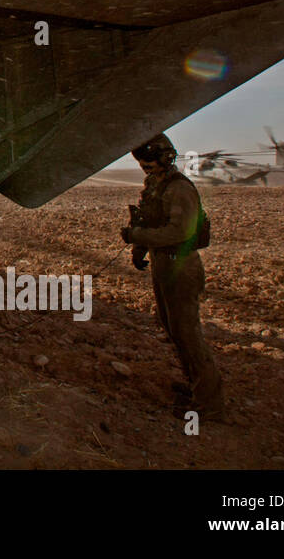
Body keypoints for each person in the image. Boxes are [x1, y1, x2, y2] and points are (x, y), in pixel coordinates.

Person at [122, 133, 226, 420]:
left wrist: (137, 236)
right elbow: (151, 220)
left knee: (187, 333)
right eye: (144, 167)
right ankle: (196, 388)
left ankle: (210, 403)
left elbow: (180, 232)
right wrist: (140, 247)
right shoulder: (156, 186)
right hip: (163, 264)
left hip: (181, 267)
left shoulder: (179, 190)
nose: (147, 171)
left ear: (164, 158)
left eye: (150, 165)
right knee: (171, 327)